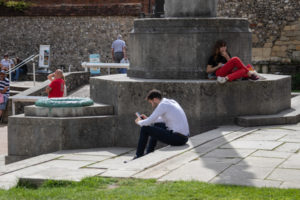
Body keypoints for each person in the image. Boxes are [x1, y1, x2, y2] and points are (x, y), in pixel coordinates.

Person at [134, 89, 190, 159]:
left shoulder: (162, 105)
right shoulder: (171, 102)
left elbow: (149, 121)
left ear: (155, 99)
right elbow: (161, 120)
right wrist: (148, 118)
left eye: (151, 102)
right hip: (184, 138)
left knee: (144, 128)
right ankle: (149, 152)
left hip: (178, 139)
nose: (152, 105)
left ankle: (138, 155)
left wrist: (138, 122)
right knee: (156, 125)